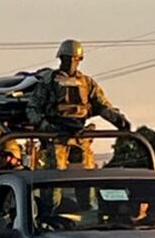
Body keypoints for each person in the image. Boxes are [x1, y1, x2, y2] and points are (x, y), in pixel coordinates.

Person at [26, 39, 130, 169]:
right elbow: (32, 108)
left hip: (81, 137)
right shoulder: (48, 82)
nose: (70, 62)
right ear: (61, 59)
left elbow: (102, 105)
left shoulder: (87, 83)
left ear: (80, 59)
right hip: (57, 138)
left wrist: (119, 121)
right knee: (55, 180)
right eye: (67, 58)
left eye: (74, 58)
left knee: (85, 179)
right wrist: (45, 126)